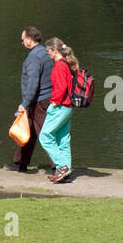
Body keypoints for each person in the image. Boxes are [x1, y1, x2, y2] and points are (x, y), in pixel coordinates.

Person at [14, 27, 54, 174]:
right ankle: (20, 163)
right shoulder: (44, 52)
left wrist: (24, 103)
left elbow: (33, 83)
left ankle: (57, 166)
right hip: (45, 98)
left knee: (45, 134)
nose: (22, 42)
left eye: (23, 39)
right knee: (27, 131)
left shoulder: (34, 58)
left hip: (38, 101)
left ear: (30, 39)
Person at [39, 37, 80, 183]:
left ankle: (61, 167)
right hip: (68, 107)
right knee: (63, 139)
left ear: (54, 51)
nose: (47, 53)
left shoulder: (59, 66)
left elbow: (61, 88)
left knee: (44, 136)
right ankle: (66, 172)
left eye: (48, 51)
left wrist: (54, 102)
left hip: (60, 106)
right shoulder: (66, 64)